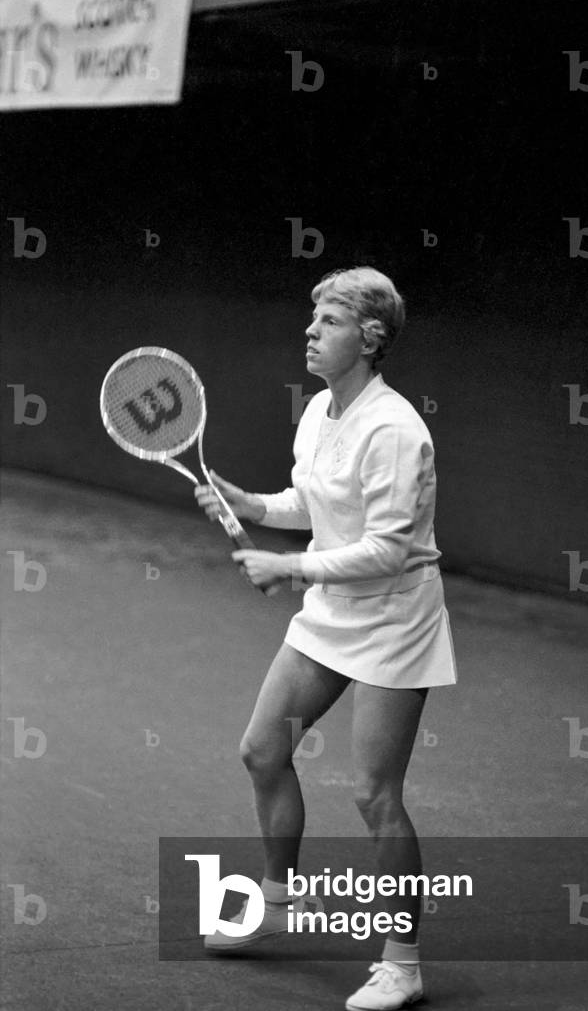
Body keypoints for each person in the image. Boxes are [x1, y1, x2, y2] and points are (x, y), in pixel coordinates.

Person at [195, 267, 456, 1010]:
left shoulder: (397, 429)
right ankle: (279, 899)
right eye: (312, 317)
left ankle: (401, 964)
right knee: (262, 749)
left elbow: (388, 548)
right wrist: (249, 502)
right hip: (332, 610)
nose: (310, 329)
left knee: (374, 793)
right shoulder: (318, 410)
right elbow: (309, 503)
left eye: (329, 319)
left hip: (395, 620)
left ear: (368, 338)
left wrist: (289, 566)